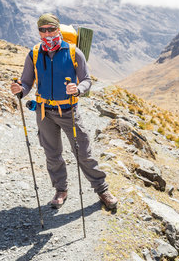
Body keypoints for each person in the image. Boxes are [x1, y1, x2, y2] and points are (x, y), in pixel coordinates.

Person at [10, 13, 118, 210]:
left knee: (83, 152)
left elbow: (86, 79)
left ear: (58, 29)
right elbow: (26, 82)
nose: (47, 33)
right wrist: (21, 90)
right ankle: (61, 190)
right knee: (52, 154)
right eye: (43, 30)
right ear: (39, 32)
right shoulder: (34, 53)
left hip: (69, 111)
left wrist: (78, 89)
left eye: (51, 29)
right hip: (44, 112)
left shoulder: (74, 52)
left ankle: (102, 190)